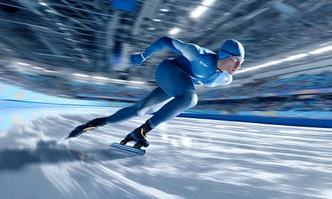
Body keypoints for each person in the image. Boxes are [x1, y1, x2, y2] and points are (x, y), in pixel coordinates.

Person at [67, 36, 245, 148]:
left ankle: (92, 124)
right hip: (168, 70)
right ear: (223, 55)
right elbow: (165, 41)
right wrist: (142, 56)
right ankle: (142, 131)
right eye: (236, 59)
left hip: (180, 81)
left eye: (241, 61)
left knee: (139, 109)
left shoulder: (226, 79)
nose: (238, 65)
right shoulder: (198, 55)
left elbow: (191, 82)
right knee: (191, 98)